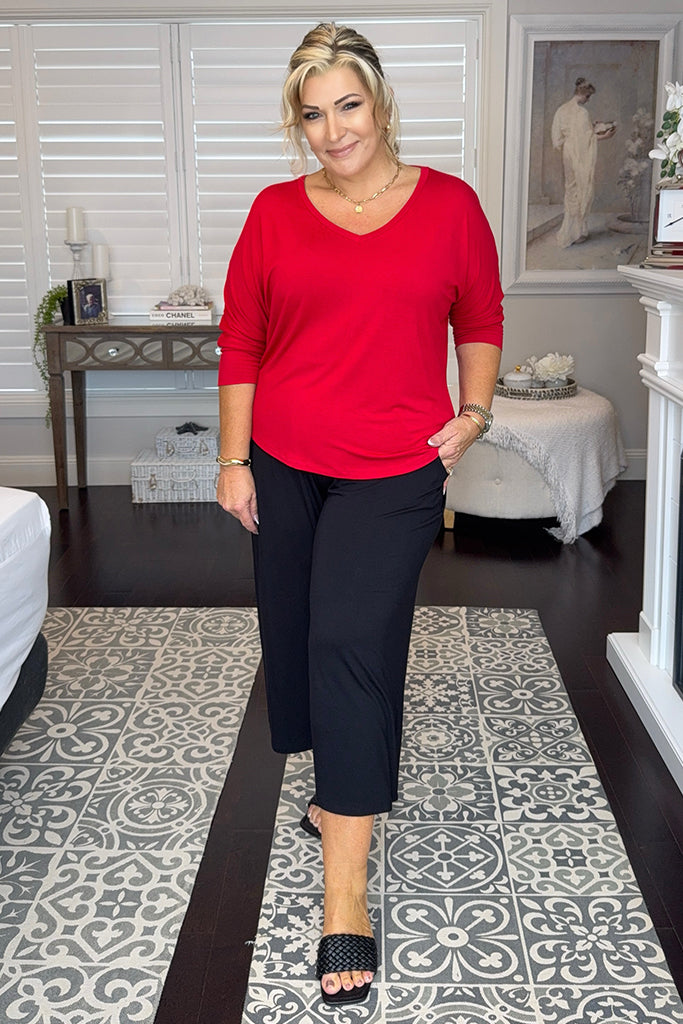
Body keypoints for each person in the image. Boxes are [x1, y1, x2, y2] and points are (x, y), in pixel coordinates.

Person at [216, 22, 503, 1006]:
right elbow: (242, 341)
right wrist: (231, 458)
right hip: (284, 461)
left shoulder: (450, 207)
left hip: (393, 469)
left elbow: (482, 318)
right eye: (311, 113)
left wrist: (473, 409)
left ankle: (345, 894)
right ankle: (333, 777)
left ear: (378, 101)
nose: (333, 130)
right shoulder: (271, 212)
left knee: (348, 638)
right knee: (302, 642)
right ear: (295, 124)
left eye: (347, 104)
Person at [551, 77, 616, 248]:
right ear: (584, 95)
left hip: (568, 152)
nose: (588, 101)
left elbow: (557, 139)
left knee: (571, 189)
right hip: (579, 154)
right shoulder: (582, 113)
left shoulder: (561, 110)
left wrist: (585, 133)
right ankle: (576, 232)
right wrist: (606, 135)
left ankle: (573, 231)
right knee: (582, 188)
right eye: (589, 97)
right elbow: (587, 138)